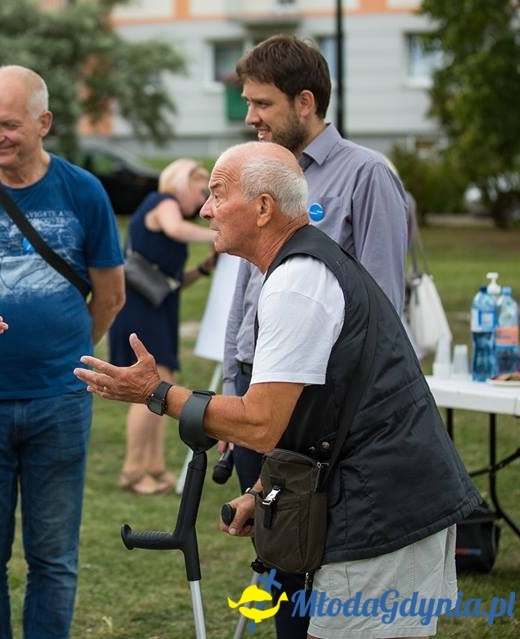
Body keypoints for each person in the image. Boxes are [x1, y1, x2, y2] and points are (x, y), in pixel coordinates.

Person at [75, 141, 480, 639]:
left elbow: (259, 423)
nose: (204, 209)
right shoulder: (297, 269)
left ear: (264, 208)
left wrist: (157, 393)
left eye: (218, 194)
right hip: (386, 498)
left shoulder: (297, 282)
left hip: (385, 512)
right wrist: (266, 489)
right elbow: (311, 410)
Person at [0, 65, 125, 639]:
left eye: (8, 124)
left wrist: (65, 351)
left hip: (59, 402)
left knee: (53, 558)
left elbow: (110, 296)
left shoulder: (82, 190)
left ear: (44, 122)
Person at [221, 35, 410, 637]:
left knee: (316, 562)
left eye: (262, 104)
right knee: (276, 564)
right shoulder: (257, 172)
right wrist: (232, 386)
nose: (250, 118)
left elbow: (382, 310)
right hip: (258, 391)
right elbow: (247, 291)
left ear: (305, 102)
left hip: (318, 408)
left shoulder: (367, 176)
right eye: (248, 103)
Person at [107, 158, 217, 495]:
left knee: (162, 387)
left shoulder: (164, 209)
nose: (203, 202)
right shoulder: (163, 202)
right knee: (149, 390)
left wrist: (203, 269)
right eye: (202, 191)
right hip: (142, 310)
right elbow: (176, 230)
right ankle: (133, 470)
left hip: (157, 306)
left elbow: (169, 281)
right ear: (183, 182)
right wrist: (219, 232)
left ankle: (153, 466)